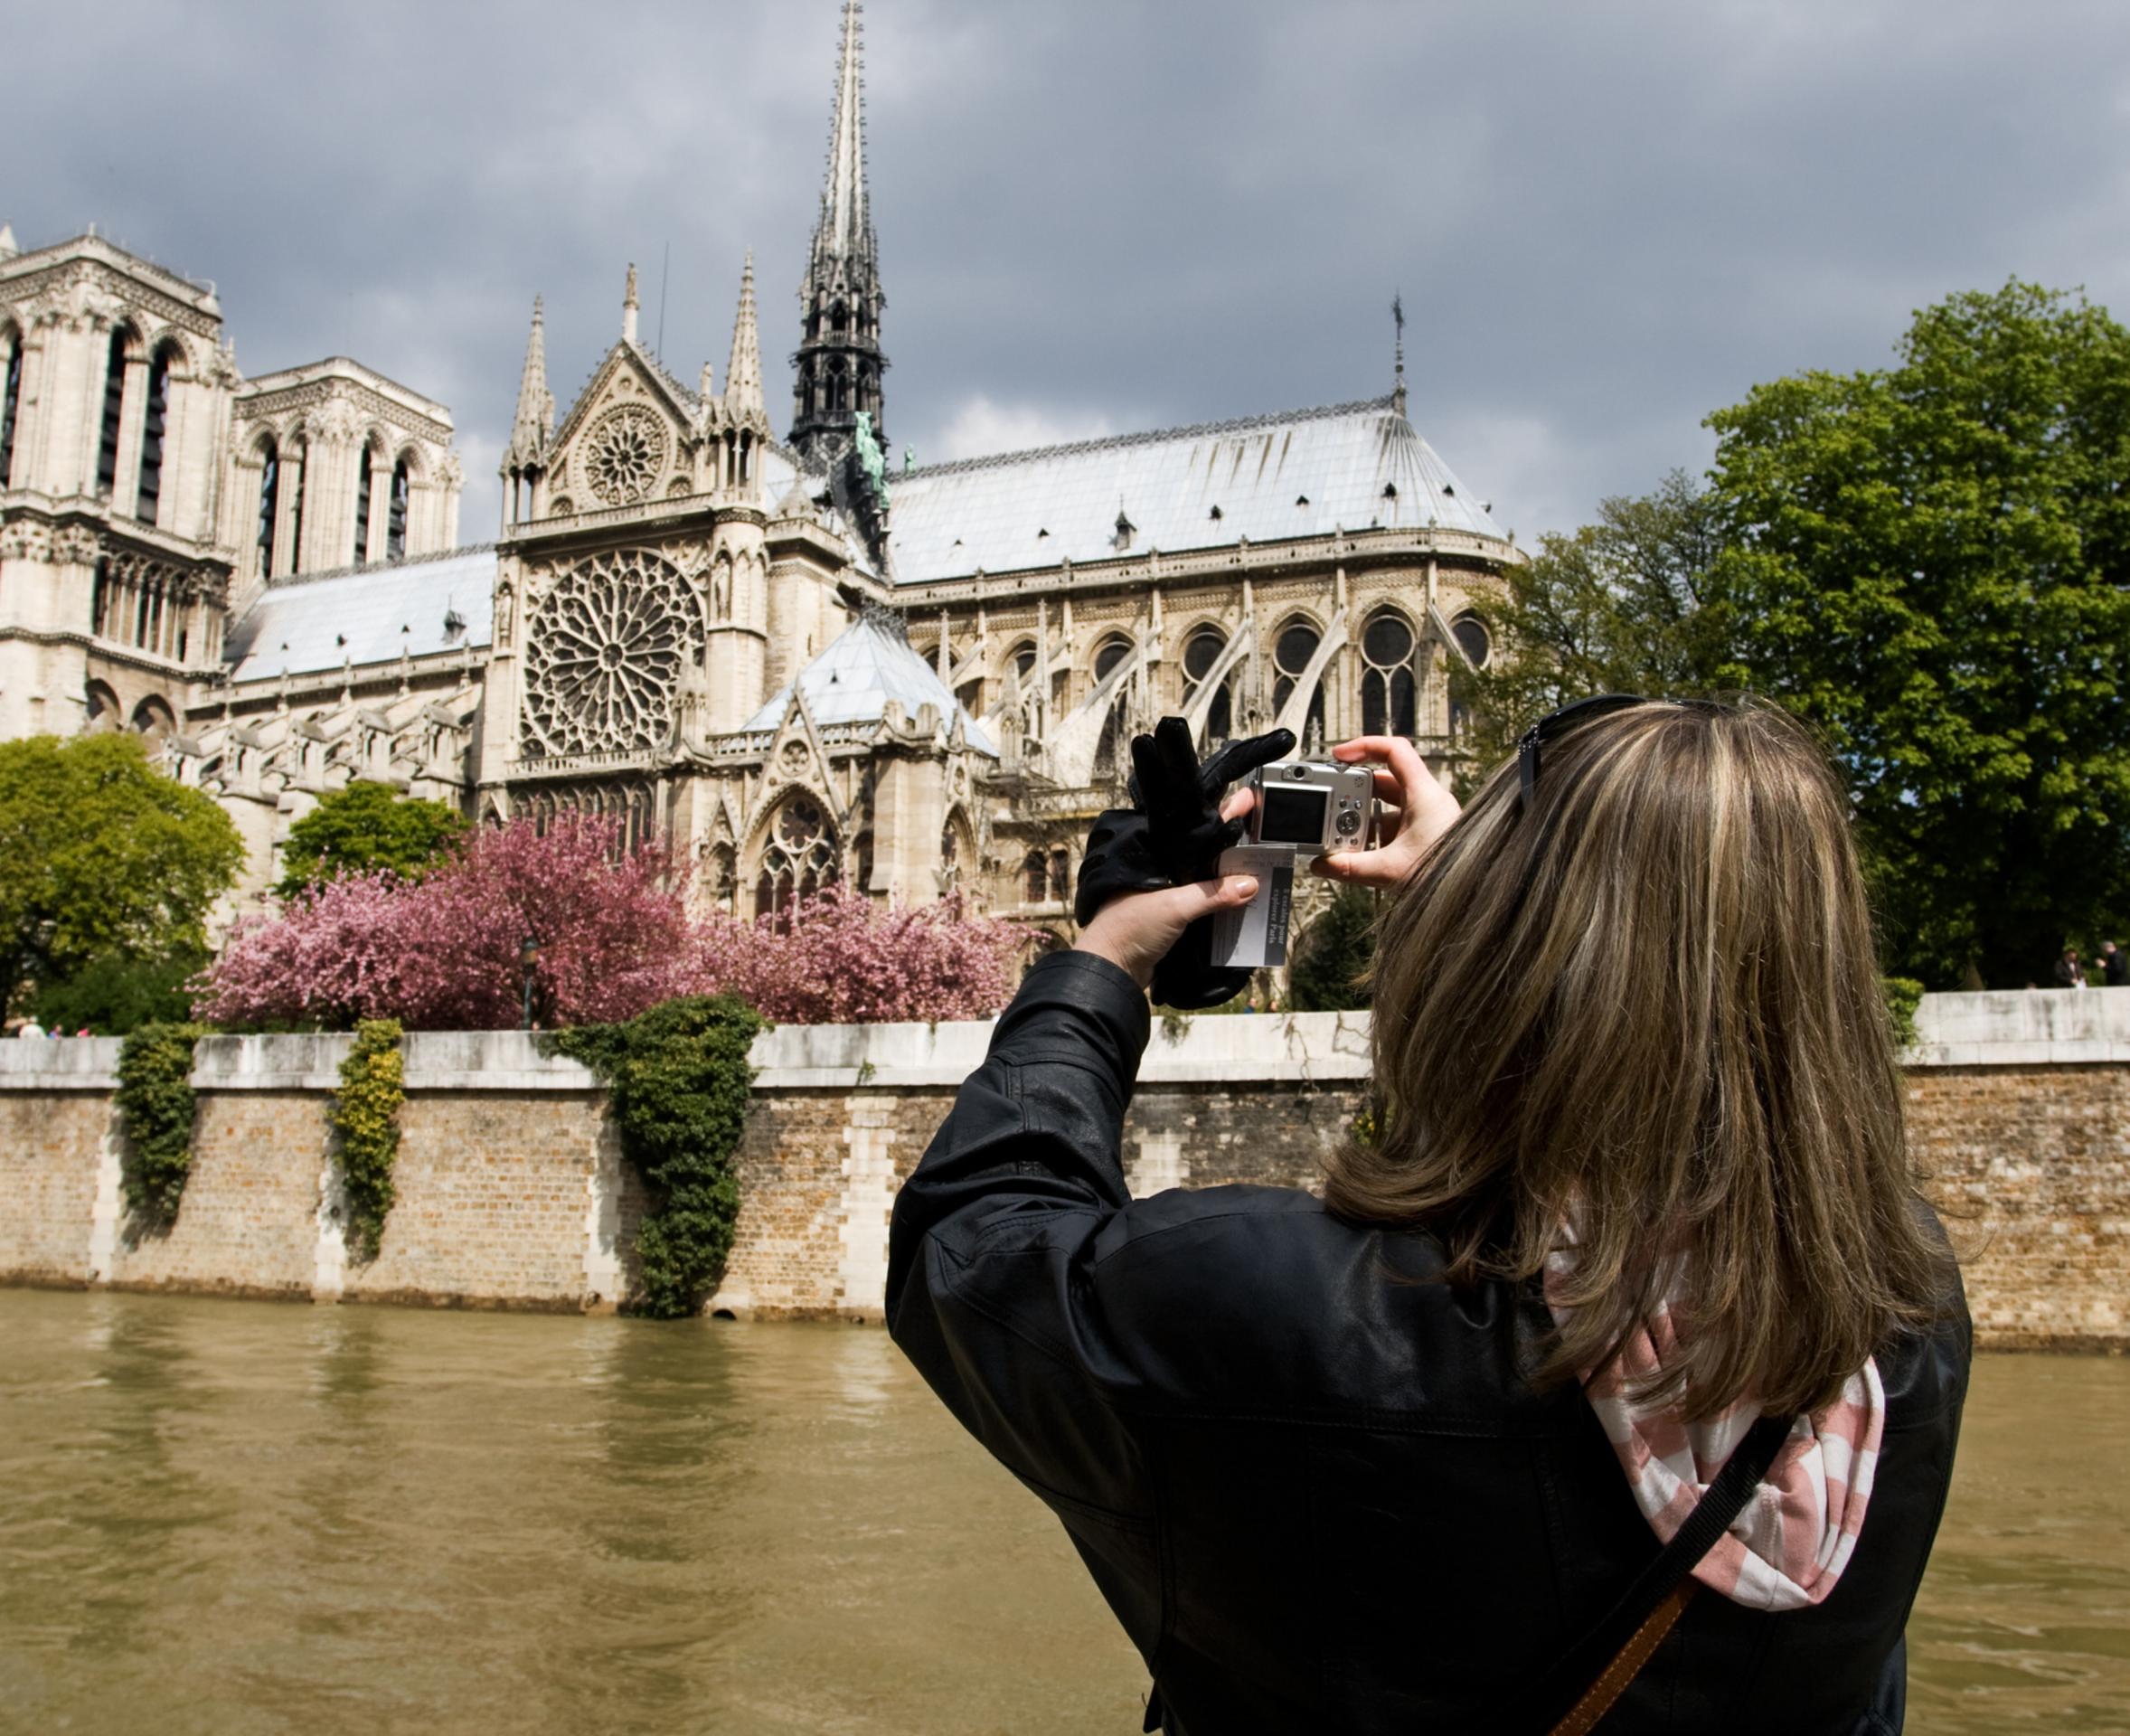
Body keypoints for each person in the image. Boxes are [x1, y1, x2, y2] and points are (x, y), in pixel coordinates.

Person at [888, 698, 1968, 1735]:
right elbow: (1691, 1059)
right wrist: (1485, 900)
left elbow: (971, 1245)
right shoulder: (1903, 1313)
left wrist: (1105, 954)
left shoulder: (1298, 1313)